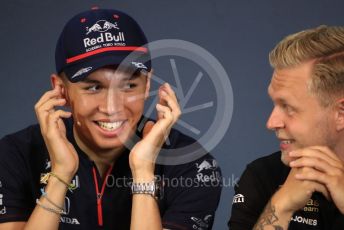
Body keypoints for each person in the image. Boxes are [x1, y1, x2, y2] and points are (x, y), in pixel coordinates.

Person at [0, 8, 222, 229]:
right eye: (94, 87)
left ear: (147, 85)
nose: (111, 107)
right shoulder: (13, 155)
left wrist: (143, 172)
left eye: (128, 86)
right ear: (61, 89)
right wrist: (60, 174)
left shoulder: (192, 165)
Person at [229, 25, 344, 229]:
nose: (271, 123)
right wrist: (281, 205)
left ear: (341, 114)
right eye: (274, 104)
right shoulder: (262, 176)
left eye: (288, 107)